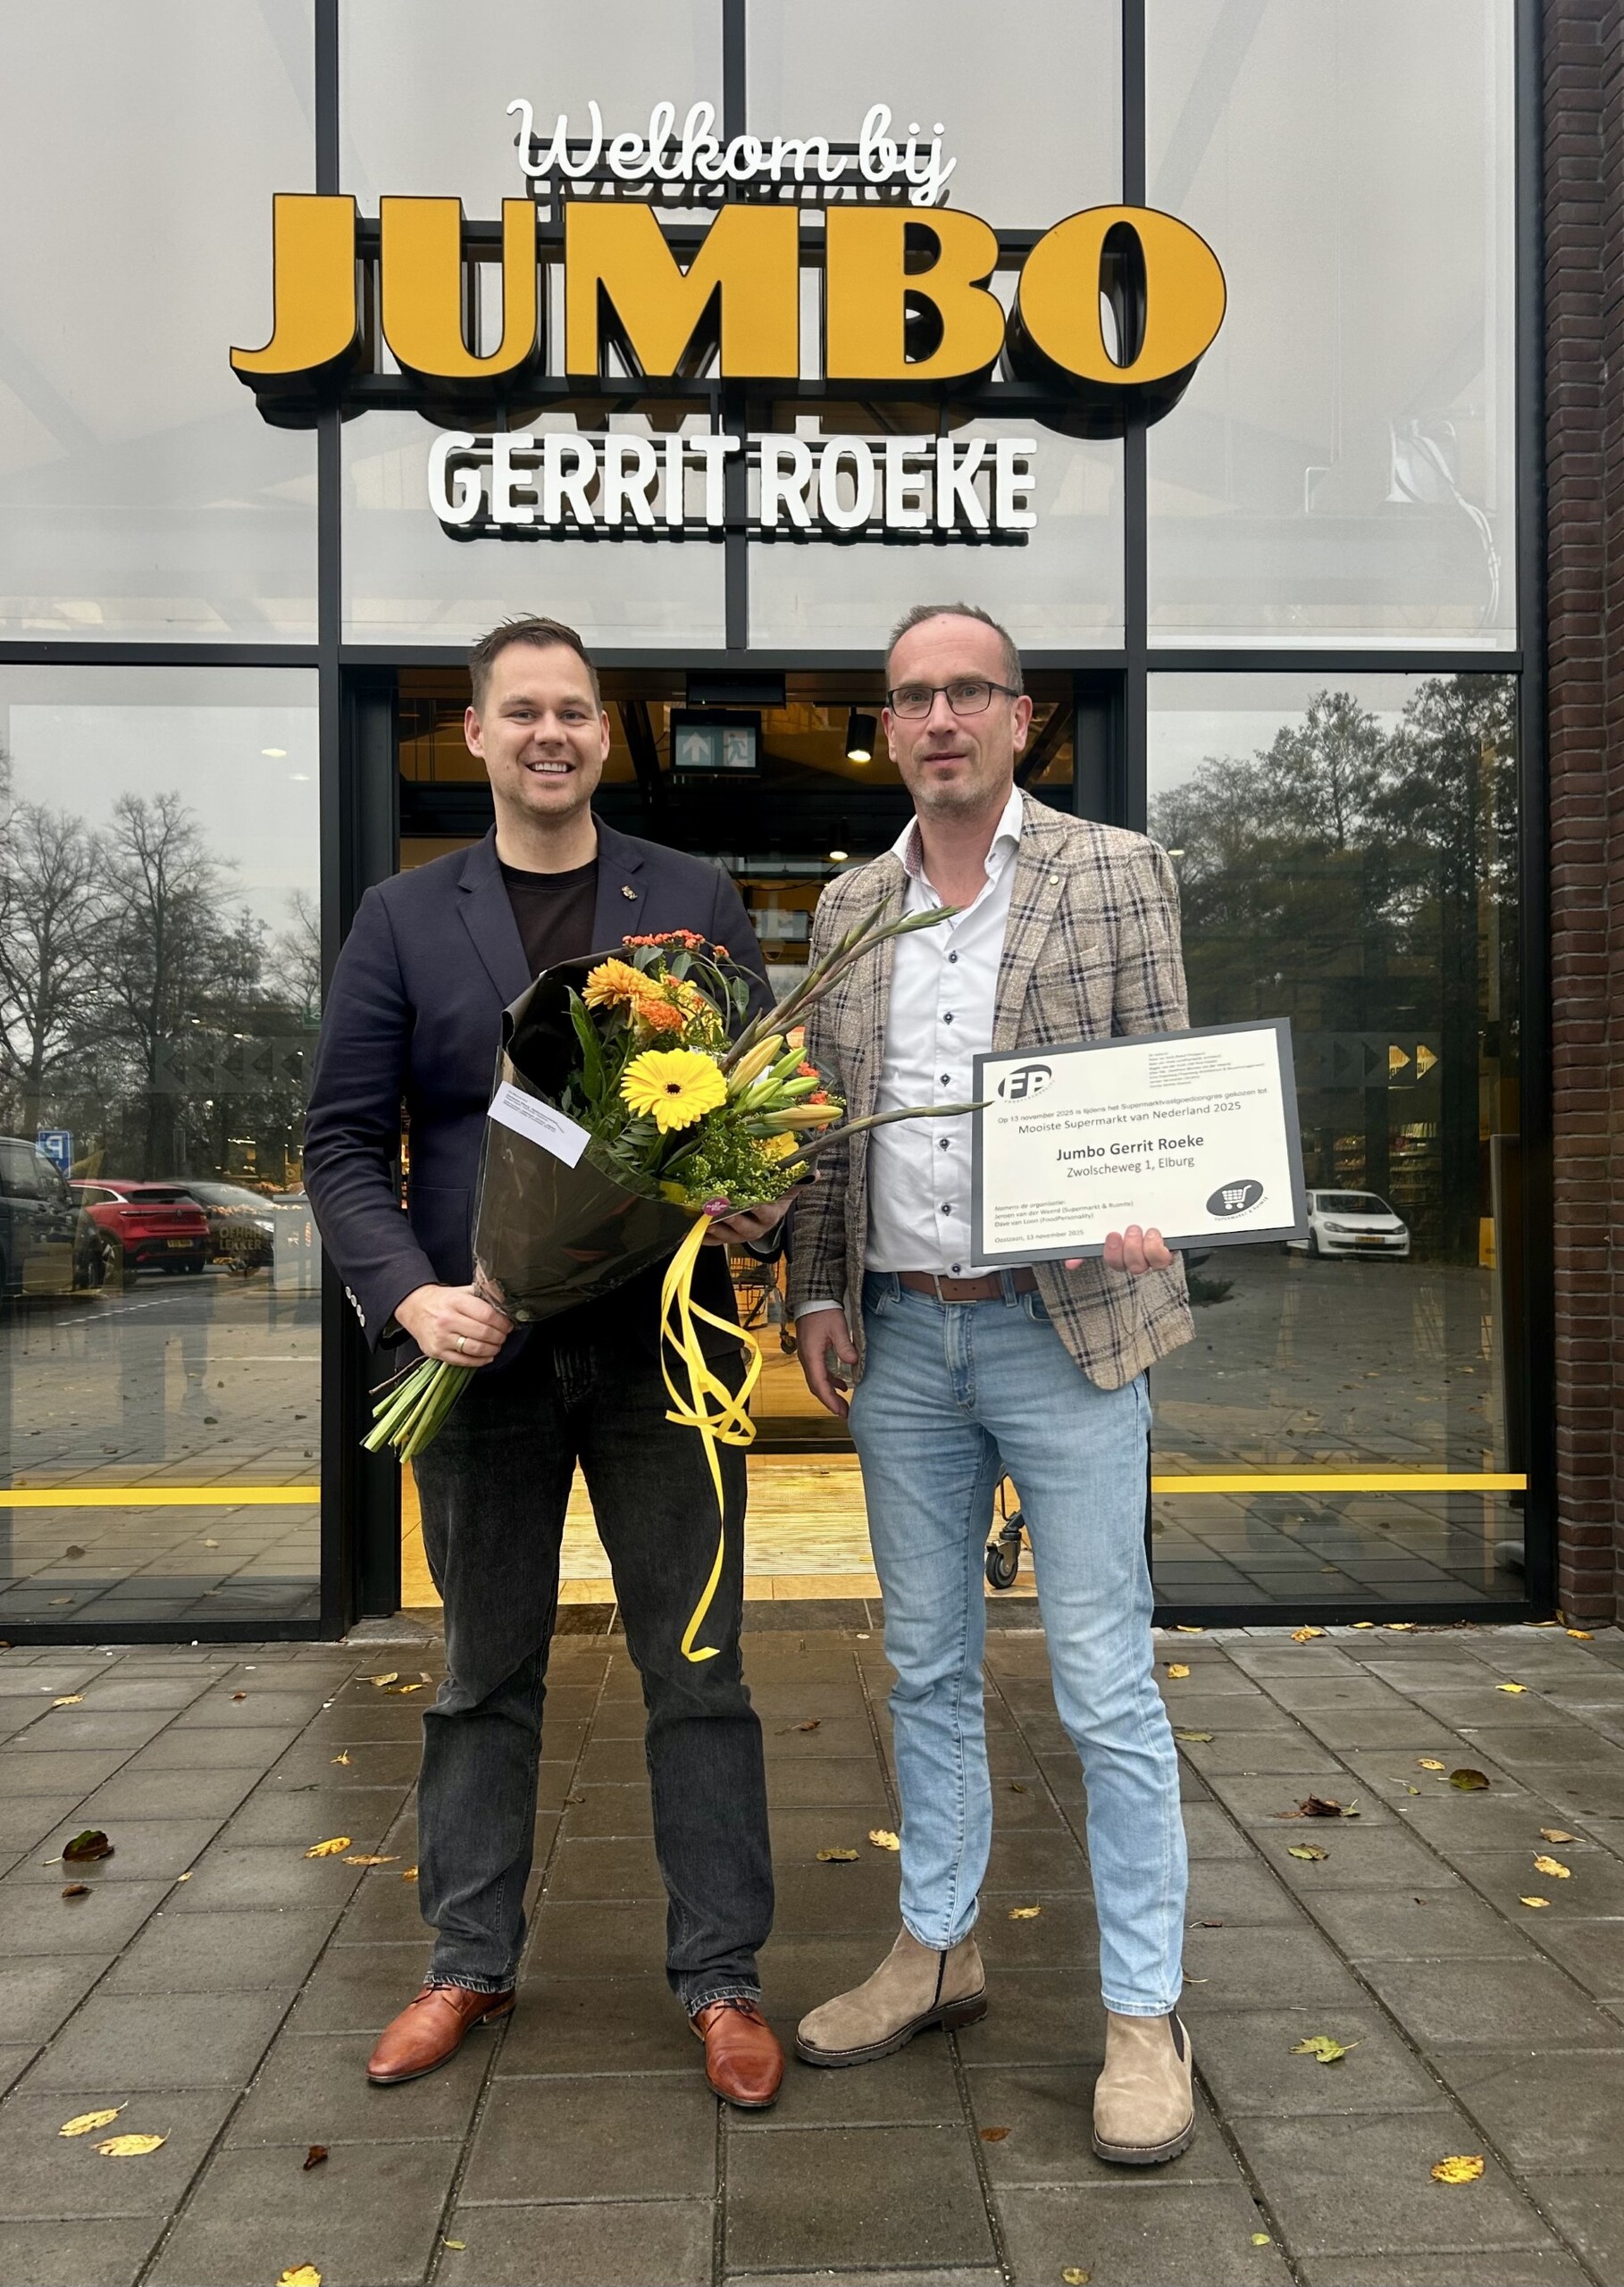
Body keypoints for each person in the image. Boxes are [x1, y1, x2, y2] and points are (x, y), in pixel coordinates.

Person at [303, 615, 790, 2109]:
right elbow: (341, 1143)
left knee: (697, 1670)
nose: (549, 735)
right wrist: (408, 1300)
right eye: (520, 712)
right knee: (479, 1674)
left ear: (601, 732)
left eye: (573, 711)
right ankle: (466, 1962)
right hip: (480, 1354)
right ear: (476, 734)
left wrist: (751, 1198)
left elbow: (752, 1107)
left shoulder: (690, 898)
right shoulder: (403, 914)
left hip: (662, 1353)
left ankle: (722, 1979)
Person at [787, 602, 1197, 2165]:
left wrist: (1163, 1203)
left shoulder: (1115, 871)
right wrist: (813, 1288)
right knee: (924, 1665)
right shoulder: (849, 905)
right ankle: (938, 1947)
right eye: (911, 698)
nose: (939, 719)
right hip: (901, 1338)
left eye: (968, 692)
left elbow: (1165, 1079)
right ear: (887, 727)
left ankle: (1144, 2013)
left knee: (1101, 1681)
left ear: (1022, 718)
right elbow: (823, 1122)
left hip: (1065, 1331)